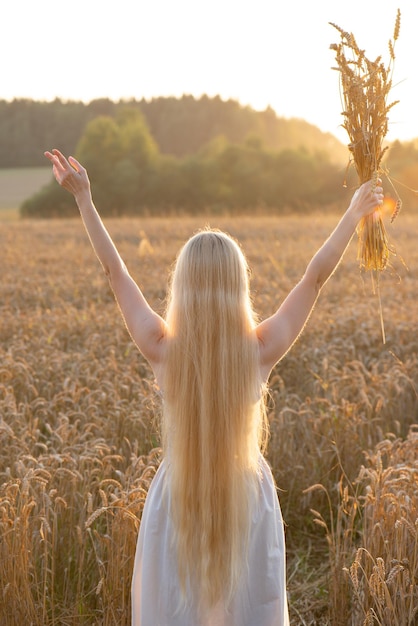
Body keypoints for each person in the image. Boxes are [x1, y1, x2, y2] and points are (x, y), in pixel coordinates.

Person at [45, 148, 384, 626]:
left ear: (181, 287)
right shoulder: (259, 350)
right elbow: (315, 278)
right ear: (237, 286)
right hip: (247, 495)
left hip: (178, 493)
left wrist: (84, 199)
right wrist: (352, 216)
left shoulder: (161, 347)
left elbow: (115, 273)